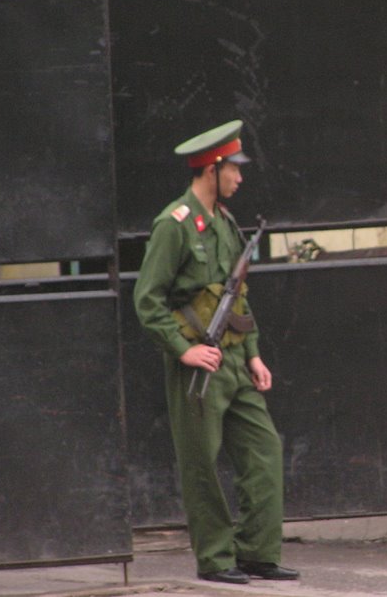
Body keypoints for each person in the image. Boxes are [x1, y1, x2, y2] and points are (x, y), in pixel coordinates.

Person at [133, 119, 299, 585]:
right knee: (201, 464)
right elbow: (148, 300)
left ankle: (257, 553)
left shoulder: (224, 222)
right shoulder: (175, 225)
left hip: (233, 362)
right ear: (212, 168)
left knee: (265, 451)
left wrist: (253, 354)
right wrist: (183, 350)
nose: (240, 178)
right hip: (197, 365)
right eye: (235, 169)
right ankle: (215, 558)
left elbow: (236, 297)